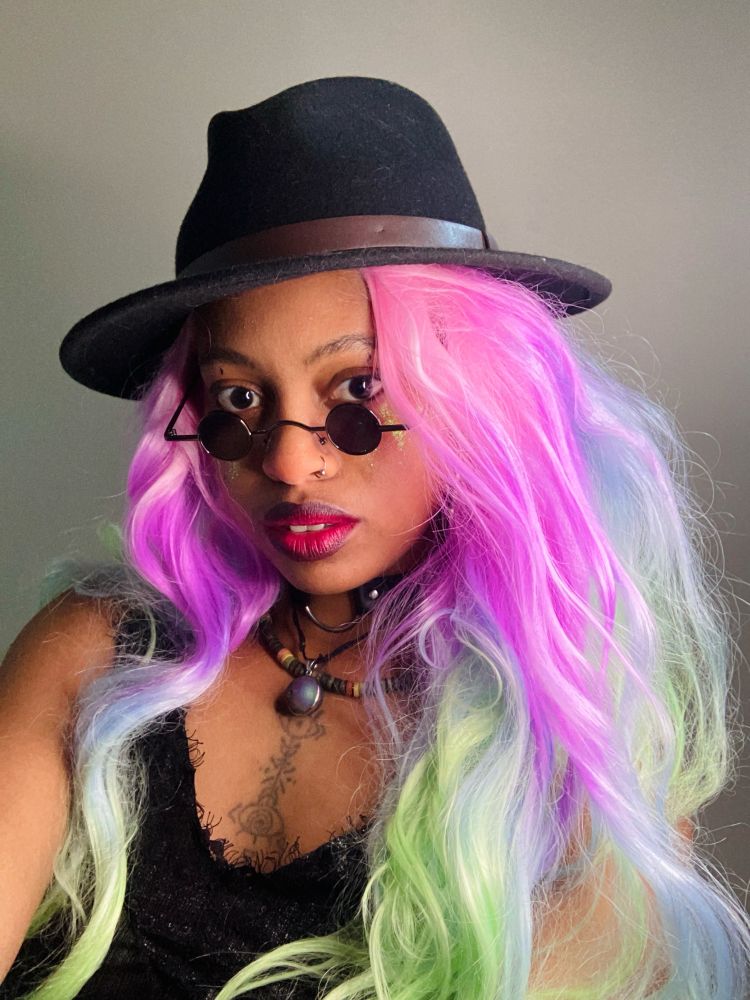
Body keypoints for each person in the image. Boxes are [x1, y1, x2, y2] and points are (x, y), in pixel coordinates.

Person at [1, 76, 748, 1000]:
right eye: (240, 397)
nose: (289, 462)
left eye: (357, 390)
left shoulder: (580, 755)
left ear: (476, 395)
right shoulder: (94, 654)